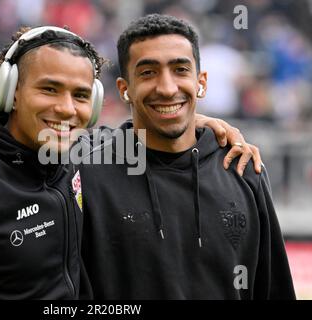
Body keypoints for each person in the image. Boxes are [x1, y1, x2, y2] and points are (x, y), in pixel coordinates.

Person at [0, 24, 259, 300]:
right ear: (12, 92)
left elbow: (138, 136)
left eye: (78, 95)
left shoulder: (69, 156)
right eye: (49, 89)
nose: (65, 109)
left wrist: (199, 125)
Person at [80, 14, 295, 299]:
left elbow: (272, 289)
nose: (167, 88)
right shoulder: (88, 171)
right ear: (124, 89)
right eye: (147, 73)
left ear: (201, 82)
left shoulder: (243, 167)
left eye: (180, 70)